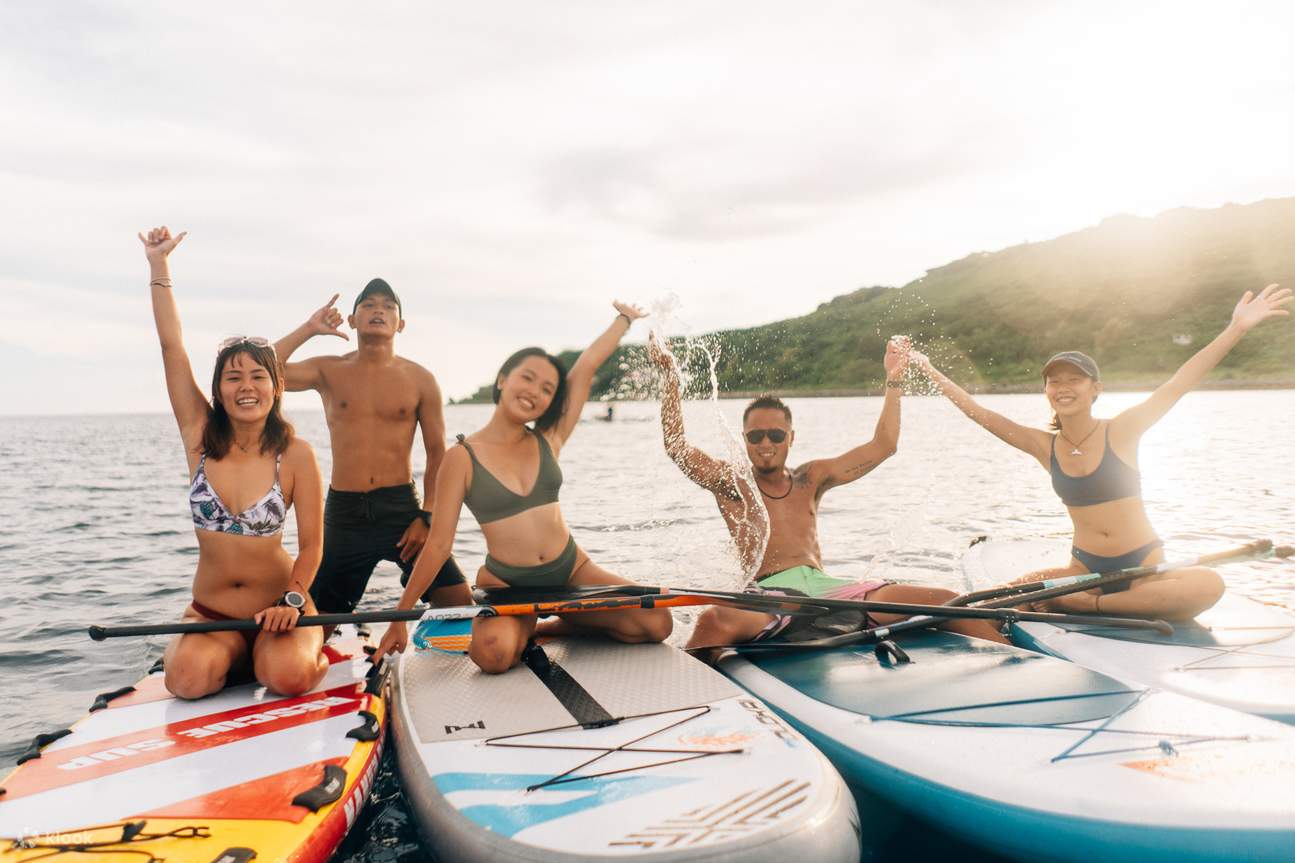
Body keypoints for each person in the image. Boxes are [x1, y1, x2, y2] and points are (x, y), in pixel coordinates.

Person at [915, 284, 1291, 620]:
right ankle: (1089, 601)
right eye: (1054, 381)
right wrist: (929, 369)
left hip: (1143, 568)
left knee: (1208, 584)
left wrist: (1237, 327)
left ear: (1095, 389)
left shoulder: (1122, 431)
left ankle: (1089, 606)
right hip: (1083, 571)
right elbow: (979, 413)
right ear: (1046, 391)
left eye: (1075, 379)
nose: (1063, 387)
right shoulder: (1044, 446)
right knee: (1002, 597)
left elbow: (1180, 382)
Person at [649, 335, 1008, 651]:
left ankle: (1020, 661)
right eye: (755, 436)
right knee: (713, 620)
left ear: (791, 438)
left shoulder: (811, 478)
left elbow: (884, 445)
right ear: (745, 439)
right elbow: (677, 447)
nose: (765, 443)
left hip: (830, 590)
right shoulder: (733, 483)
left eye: (776, 435)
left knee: (947, 601)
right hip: (772, 595)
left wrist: (894, 379)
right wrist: (670, 378)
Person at [372, 302, 673, 671]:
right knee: (492, 656)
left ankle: (557, 624)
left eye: (547, 388)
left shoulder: (550, 438)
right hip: (509, 584)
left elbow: (585, 368)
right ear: (503, 379)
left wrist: (623, 320)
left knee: (658, 622)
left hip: (571, 570)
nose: (534, 391)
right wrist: (400, 617)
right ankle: (526, 623)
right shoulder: (461, 458)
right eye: (527, 378)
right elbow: (438, 545)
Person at [141, 226, 328, 698]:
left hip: (280, 611)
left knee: (288, 677)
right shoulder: (199, 437)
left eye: (258, 376)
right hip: (212, 615)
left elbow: (311, 547)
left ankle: (306, 652)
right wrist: (159, 265)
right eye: (233, 377)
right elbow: (171, 347)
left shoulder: (297, 454)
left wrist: (293, 599)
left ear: (276, 387)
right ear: (218, 391)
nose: (246, 386)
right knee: (186, 681)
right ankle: (234, 658)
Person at [273, 282, 471, 622]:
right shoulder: (328, 370)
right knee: (319, 619)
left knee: (458, 600)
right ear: (351, 320)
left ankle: (424, 628)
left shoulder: (421, 379)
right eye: (368, 304)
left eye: (388, 306)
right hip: (345, 514)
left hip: (401, 510)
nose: (378, 310)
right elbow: (263, 370)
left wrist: (427, 516)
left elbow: (438, 454)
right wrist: (309, 329)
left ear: (400, 324)